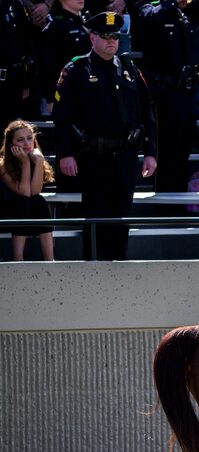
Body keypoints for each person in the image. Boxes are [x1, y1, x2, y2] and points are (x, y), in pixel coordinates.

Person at [52, 11, 158, 261]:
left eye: (116, 36)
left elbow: (148, 113)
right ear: (92, 37)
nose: (112, 41)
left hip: (126, 155)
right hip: (93, 156)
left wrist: (151, 153)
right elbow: (62, 117)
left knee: (121, 218)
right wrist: (65, 153)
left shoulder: (129, 68)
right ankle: (94, 272)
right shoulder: (77, 68)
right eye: (106, 35)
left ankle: (118, 268)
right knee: (97, 219)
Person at [134, 0, 199, 192]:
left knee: (184, 147)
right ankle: (165, 202)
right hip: (165, 92)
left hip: (186, 92)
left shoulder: (185, 14)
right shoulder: (155, 12)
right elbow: (145, 23)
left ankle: (179, 199)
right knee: (167, 150)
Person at [0, 120, 55, 261]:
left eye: (29, 138)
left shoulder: (37, 158)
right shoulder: (2, 165)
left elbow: (34, 192)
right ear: (11, 144)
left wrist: (39, 162)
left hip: (28, 213)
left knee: (39, 201)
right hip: (7, 214)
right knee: (23, 202)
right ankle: (18, 259)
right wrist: (25, 163)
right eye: (20, 140)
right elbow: (24, 193)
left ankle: (50, 259)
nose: (27, 143)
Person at [38, 0, 90, 116]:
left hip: (86, 90)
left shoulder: (85, 23)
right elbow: (47, 66)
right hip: (64, 93)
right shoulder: (56, 27)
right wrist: (51, 98)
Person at [0, 0, 35, 128]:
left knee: (9, 129)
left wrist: (26, 81)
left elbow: (26, 44)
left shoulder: (14, 5)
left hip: (11, 79)